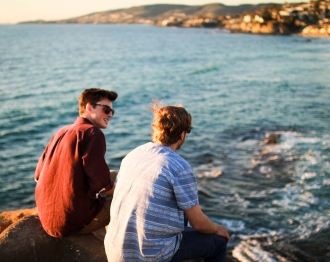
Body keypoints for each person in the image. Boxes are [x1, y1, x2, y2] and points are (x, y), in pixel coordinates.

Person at [105, 100, 230, 262]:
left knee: (182, 212)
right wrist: (217, 229)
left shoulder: (133, 154)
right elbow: (199, 223)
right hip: (146, 257)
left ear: (154, 130)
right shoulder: (179, 166)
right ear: (182, 135)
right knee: (218, 243)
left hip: (115, 250)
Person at [34, 88, 118, 239]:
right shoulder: (93, 134)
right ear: (89, 107)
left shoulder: (61, 132)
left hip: (47, 220)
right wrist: (121, 191)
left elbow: (38, 176)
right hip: (72, 222)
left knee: (115, 175)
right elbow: (101, 184)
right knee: (130, 196)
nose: (110, 115)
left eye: (112, 111)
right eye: (106, 109)